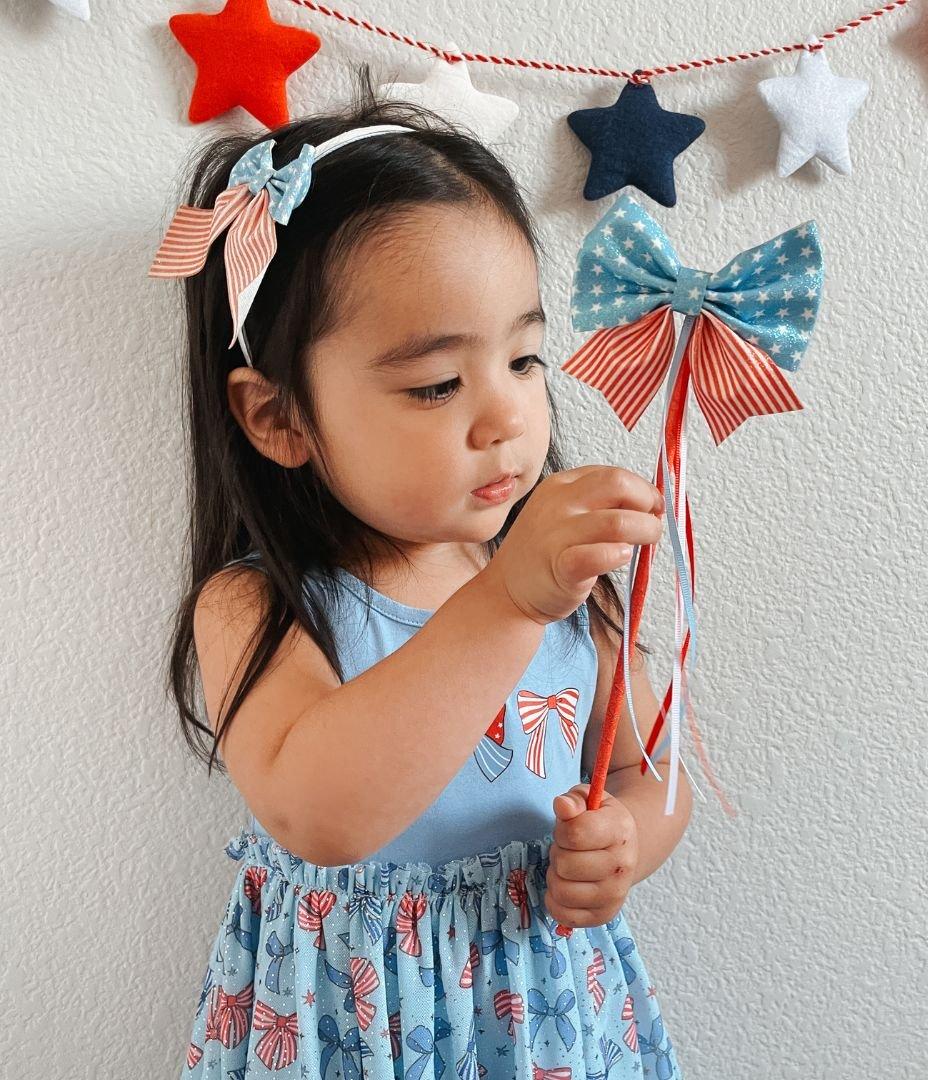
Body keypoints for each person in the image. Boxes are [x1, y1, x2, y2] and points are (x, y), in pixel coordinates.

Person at [159, 64, 693, 1080]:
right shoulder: (262, 608)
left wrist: (627, 839)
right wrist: (508, 601)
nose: (506, 418)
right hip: (356, 1024)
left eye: (526, 360)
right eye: (437, 383)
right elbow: (324, 815)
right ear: (279, 417)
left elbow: (642, 767)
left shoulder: (564, 577)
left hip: (540, 1012)